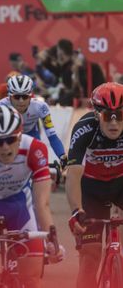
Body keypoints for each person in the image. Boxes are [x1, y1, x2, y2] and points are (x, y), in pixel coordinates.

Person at [0, 105, 63, 287]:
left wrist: (52, 240)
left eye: (10, 139)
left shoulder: (35, 149)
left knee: (32, 276)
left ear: (20, 135)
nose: (5, 147)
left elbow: (42, 205)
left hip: (18, 203)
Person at [66, 82, 123, 288]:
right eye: (108, 116)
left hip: (120, 185)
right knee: (90, 258)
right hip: (91, 191)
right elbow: (72, 175)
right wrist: (75, 211)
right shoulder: (84, 129)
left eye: (120, 116)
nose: (114, 124)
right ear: (97, 114)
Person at [0, 75, 66, 166]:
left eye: (25, 97)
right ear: (9, 97)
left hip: (32, 134)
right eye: (17, 97)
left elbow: (52, 136)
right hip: (10, 137)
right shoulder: (1, 106)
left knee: (39, 157)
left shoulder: (40, 107)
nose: (21, 101)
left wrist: (62, 155)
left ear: (31, 96)